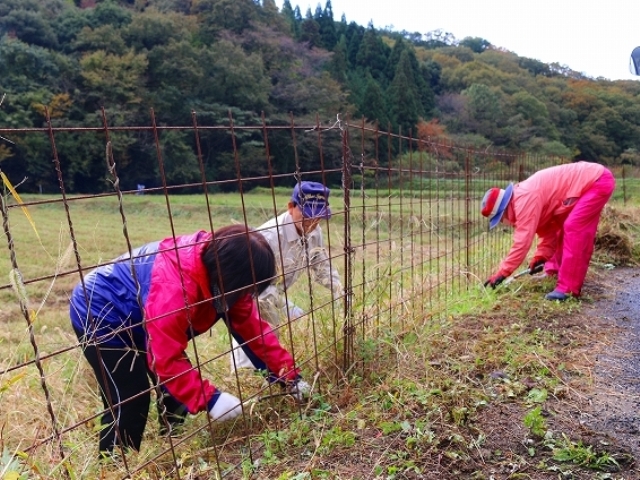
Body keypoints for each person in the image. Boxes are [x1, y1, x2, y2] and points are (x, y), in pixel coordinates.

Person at [69, 225, 310, 455]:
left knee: (174, 394)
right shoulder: (175, 289)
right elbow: (166, 358)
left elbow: (253, 333)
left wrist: (290, 377)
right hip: (101, 311)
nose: (247, 296)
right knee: (130, 398)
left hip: (143, 309)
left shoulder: (227, 282)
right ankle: (115, 466)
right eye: (246, 289)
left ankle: (172, 443)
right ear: (229, 277)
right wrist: (211, 399)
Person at [230, 181, 343, 370]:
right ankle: (248, 374)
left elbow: (321, 265)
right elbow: (257, 290)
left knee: (290, 324)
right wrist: (286, 310)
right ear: (291, 207)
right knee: (259, 336)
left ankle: (272, 370)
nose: (312, 221)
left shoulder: (314, 231)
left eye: (319, 217)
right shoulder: (268, 238)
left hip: (275, 293)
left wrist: (341, 291)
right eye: (307, 215)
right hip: (252, 295)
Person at [480, 161, 615, 301]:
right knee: (561, 228)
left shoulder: (523, 200)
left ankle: (568, 289)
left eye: (500, 219)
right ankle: (553, 271)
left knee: (574, 228)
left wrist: (502, 273)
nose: (503, 222)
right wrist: (541, 257)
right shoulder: (522, 199)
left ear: (504, 211)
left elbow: (522, 243)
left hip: (597, 181)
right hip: (589, 182)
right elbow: (549, 233)